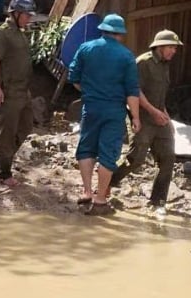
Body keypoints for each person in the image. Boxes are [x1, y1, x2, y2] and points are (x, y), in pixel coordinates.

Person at [67, 14, 141, 216]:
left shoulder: (86, 48)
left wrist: (89, 92)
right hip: (114, 111)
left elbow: (73, 77)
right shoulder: (126, 56)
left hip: (91, 107)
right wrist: (135, 117)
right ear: (120, 34)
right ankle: (100, 200)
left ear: (102, 30)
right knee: (108, 154)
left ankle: (87, 192)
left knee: (86, 148)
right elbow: (132, 90)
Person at [111, 30, 182, 213]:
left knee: (168, 158)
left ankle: (158, 202)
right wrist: (152, 111)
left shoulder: (165, 65)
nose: (174, 51)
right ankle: (108, 183)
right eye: (171, 47)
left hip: (159, 117)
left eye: (175, 48)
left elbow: (160, 95)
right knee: (136, 158)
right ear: (159, 47)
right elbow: (135, 90)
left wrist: (167, 118)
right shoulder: (143, 63)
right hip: (142, 116)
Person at [0, 0, 36, 186]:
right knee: (9, 130)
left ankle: (0, 158)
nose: (29, 19)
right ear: (16, 14)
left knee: (26, 126)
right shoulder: (3, 34)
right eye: (26, 15)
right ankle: (4, 172)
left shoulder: (20, 32)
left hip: (24, 89)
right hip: (11, 90)